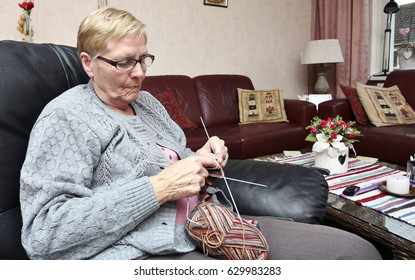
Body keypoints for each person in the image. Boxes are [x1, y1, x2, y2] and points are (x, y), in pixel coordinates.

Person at [19, 7, 382, 260]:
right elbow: (44, 234)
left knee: (358, 253)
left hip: (211, 222)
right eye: (124, 62)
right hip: (144, 252)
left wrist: (201, 158)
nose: (139, 73)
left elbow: (176, 157)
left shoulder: (147, 104)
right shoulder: (66, 118)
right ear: (88, 63)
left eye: (143, 59)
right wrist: (158, 188)